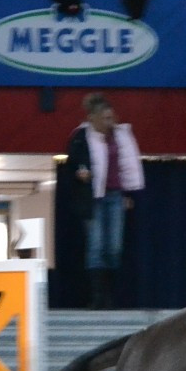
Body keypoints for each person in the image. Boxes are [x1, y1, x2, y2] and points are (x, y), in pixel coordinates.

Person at [66, 93, 144, 309]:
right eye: (105, 119)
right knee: (96, 245)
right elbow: (73, 164)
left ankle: (110, 296)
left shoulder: (122, 136)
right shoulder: (81, 137)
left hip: (116, 196)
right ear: (92, 118)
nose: (109, 123)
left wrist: (129, 193)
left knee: (114, 248)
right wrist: (80, 173)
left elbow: (129, 165)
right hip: (94, 198)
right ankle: (98, 298)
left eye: (111, 118)